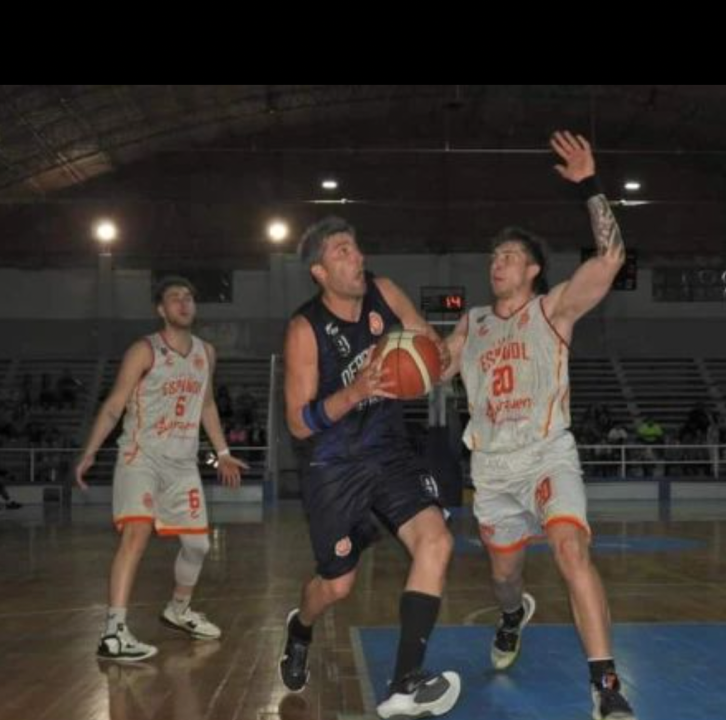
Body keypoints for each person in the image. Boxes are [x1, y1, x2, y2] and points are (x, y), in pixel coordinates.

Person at [444, 131, 636, 720]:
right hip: (493, 467)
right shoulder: (472, 323)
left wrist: (590, 186)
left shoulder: (553, 309)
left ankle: (606, 685)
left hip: (548, 452)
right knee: (505, 576)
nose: (496, 263)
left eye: (508, 256)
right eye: (493, 257)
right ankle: (511, 614)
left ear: (531, 269)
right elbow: (432, 369)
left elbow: (611, 258)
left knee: (571, 549)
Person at [281, 217, 460, 719]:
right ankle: (299, 628)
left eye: (356, 247)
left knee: (436, 542)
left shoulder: (385, 292)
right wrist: (355, 392)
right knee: (337, 586)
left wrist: (434, 355)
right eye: (342, 251)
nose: (357, 257)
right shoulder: (304, 330)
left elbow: (431, 347)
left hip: (388, 450)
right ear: (319, 272)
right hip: (332, 464)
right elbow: (297, 423)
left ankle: (404, 684)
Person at [76, 276, 247, 662]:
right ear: (161, 309)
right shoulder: (144, 350)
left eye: (188, 297)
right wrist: (90, 452)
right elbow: (114, 404)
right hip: (141, 457)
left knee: (198, 545)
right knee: (136, 534)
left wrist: (222, 451)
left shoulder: (206, 352)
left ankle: (178, 609)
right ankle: (113, 632)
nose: (184, 303)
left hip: (183, 464)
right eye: (175, 298)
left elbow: (206, 405)